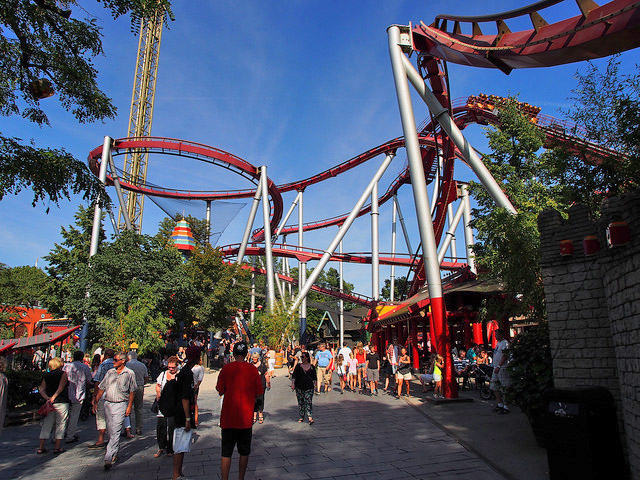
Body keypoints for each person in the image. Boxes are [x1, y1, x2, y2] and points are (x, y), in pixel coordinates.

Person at [216, 342, 264, 480]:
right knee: (244, 452)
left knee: (226, 453)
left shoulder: (226, 369)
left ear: (234, 354)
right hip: (245, 418)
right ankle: (240, 478)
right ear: (246, 354)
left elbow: (220, 389)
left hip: (228, 418)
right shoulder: (252, 370)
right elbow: (259, 391)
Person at [92, 352, 137, 470]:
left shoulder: (129, 373)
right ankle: (114, 452)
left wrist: (129, 406)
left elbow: (132, 391)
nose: (113, 362)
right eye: (113, 359)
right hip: (108, 403)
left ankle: (108, 457)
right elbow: (102, 387)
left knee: (116, 430)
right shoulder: (110, 372)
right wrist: (96, 401)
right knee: (111, 430)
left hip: (121, 403)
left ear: (123, 361)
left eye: (116, 360)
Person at [171, 346, 199, 480]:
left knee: (182, 444)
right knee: (180, 445)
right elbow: (185, 397)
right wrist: (188, 418)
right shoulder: (187, 373)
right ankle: (176, 475)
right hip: (182, 414)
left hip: (181, 413)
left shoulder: (184, 371)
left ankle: (179, 473)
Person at [37, 357, 69, 454]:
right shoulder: (63, 374)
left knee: (47, 423)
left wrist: (47, 397)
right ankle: (57, 447)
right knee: (60, 424)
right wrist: (54, 397)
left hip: (49, 403)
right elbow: (61, 387)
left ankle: (41, 447)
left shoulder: (46, 375)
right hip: (61, 401)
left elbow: (41, 389)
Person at [63, 350, 92, 443]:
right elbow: (89, 379)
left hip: (66, 393)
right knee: (74, 415)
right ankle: (70, 435)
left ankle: (59, 435)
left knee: (63, 415)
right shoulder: (85, 367)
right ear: (82, 358)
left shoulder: (66, 366)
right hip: (79, 393)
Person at [89, 348, 115, 449]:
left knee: (101, 417)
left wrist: (95, 396)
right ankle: (111, 439)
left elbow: (97, 382)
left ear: (105, 356)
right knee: (112, 418)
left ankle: (101, 439)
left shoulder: (103, 365)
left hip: (103, 394)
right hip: (114, 395)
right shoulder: (118, 364)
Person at [155, 356, 179, 458]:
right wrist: (157, 393)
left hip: (174, 404)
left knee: (172, 427)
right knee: (161, 426)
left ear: (177, 366)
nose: (171, 369)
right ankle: (161, 447)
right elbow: (158, 385)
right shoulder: (163, 374)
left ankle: (171, 448)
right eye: (169, 367)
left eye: (173, 368)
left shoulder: (180, 375)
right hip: (163, 403)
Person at [126, 350, 150, 435]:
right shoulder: (142, 365)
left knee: (127, 408)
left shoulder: (127, 365)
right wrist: (142, 383)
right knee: (139, 408)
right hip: (139, 386)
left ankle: (127, 428)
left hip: (129, 387)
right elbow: (146, 377)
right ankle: (138, 428)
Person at [291, 351, 316, 423]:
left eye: (303, 357)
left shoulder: (312, 367)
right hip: (299, 387)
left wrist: (316, 386)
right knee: (301, 402)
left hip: (309, 387)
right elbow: (294, 376)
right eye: (301, 357)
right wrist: (293, 384)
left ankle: (310, 416)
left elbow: (314, 378)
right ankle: (301, 416)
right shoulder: (298, 366)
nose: (301, 358)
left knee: (308, 401)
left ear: (307, 358)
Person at [490, 329, 511, 414]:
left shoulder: (505, 343)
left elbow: (505, 355)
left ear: (501, 335)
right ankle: (500, 404)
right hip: (495, 368)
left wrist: (499, 365)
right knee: (494, 386)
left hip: (502, 367)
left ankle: (506, 406)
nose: (495, 336)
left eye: (496, 334)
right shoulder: (498, 344)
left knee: (504, 386)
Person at [251, 351, 271, 424]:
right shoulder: (250, 366)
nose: (254, 359)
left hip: (261, 386)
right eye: (253, 358)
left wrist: (268, 383)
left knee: (260, 400)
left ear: (258, 358)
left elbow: (266, 375)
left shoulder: (262, 366)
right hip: (252, 387)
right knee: (253, 401)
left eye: (255, 358)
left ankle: (260, 414)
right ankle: (254, 415)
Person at [191, 355, 205, 427]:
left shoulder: (200, 368)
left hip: (195, 386)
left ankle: (195, 419)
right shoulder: (189, 366)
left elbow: (200, 378)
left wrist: (197, 386)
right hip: (187, 386)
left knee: (194, 401)